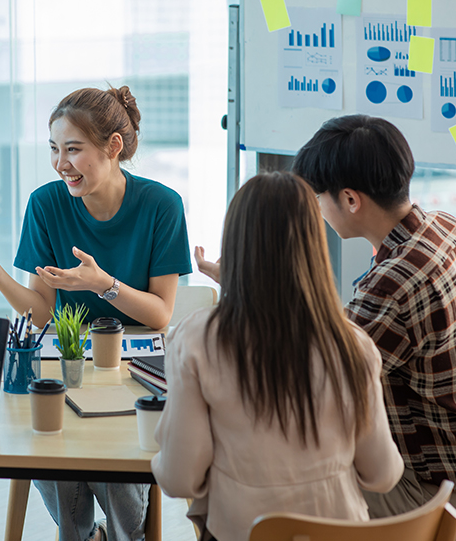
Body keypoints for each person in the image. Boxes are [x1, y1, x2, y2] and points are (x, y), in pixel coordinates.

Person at [0, 85, 192, 541]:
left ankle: (119, 534)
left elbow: (159, 314)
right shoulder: (46, 204)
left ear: (113, 147)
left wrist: (103, 284)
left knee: (113, 478)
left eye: (73, 149)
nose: (61, 163)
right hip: (67, 363)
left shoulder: (161, 205)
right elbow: (40, 312)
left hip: (131, 370)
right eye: (54, 149)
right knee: (46, 443)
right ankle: (83, 535)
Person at [273, 114, 456, 539]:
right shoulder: (449, 229)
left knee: (277, 488)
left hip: (442, 500)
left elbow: (314, 383)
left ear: (350, 199)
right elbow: (347, 335)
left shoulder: (391, 283)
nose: (317, 210)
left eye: (317, 198)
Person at [153, 172, 403, 541]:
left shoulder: (197, 339)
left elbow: (179, 479)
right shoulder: (353, 343)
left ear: (236, 245)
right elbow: (383, 474)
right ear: (314, 248)